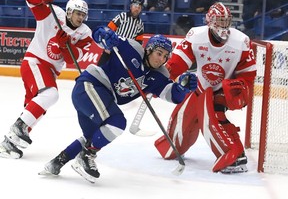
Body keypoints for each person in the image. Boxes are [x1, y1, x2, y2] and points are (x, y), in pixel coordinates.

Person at [39, 27, 198, 183]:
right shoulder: (131, 48)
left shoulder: (160, 75)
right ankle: (86, 156)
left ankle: (57, 162)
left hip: (99, 97)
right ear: (149, 50)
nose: (161, 59)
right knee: (117, 122)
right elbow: (100, 35)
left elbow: (172, 95)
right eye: (159, 53)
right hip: (90, 86)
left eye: (165, 56)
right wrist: (104, 35)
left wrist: (182, 88)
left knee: (93, 136)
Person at [154, 2, 257, 174]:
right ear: (210, 21)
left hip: (222, 91)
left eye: (226, 21)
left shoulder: (241, 42)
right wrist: (161, 79)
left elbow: (248, 74)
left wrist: (239, 88)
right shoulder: (196, 35)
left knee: (212, 118)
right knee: (181, 123)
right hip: (200, 86)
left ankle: (234, 153)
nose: (223, 26)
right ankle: (174, 145)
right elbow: (178, 62)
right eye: (219, 21)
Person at [0, 0, 93, 159]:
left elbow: (72, 59)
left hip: (50, 72)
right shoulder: (53, 14)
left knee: (36, 110)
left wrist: (66, 45)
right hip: (34, 62)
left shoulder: (85, 33)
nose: (81, 18)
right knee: (51, 94)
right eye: (78, 13)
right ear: (70, 11)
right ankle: (17, 127)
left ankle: (8, 143)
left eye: (83, 15)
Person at [97, 0, 145, 65]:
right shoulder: (122, 16)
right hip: (112, 48)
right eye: (135, 6)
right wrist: (108, 45)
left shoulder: (140, 24)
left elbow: (139, 42)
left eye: (139, 7)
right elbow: (109, 29)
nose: (137, 9)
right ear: (131, 7)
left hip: (125, 53)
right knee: (100, 68)